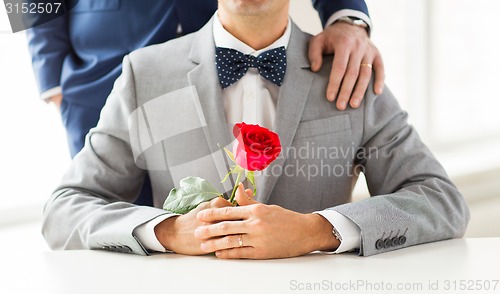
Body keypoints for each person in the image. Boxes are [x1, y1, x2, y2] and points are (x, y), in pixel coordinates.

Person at [42, 0, 469, 258]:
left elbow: (441, 201)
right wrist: (168, 232)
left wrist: (317, 231)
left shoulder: (348, 76)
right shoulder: (143, 77)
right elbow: (66, 210)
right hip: (95, 71)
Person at [27, 0, 384, 158]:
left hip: (230, 63)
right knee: (113, 231)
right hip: (100, 74)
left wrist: (346, 16)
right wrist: (51, 81)